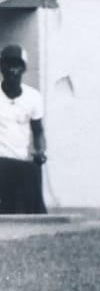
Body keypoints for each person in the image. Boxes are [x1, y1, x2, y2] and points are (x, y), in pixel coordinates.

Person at [0, 44, 46, 215]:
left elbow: (38, 131)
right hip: (1, 161)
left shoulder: (33, 97)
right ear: (1, 67)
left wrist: (39, 151)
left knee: (27, 208)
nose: (12, 70)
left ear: (23, 69)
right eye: (8, 64)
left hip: (22, 163)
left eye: (17, 65)